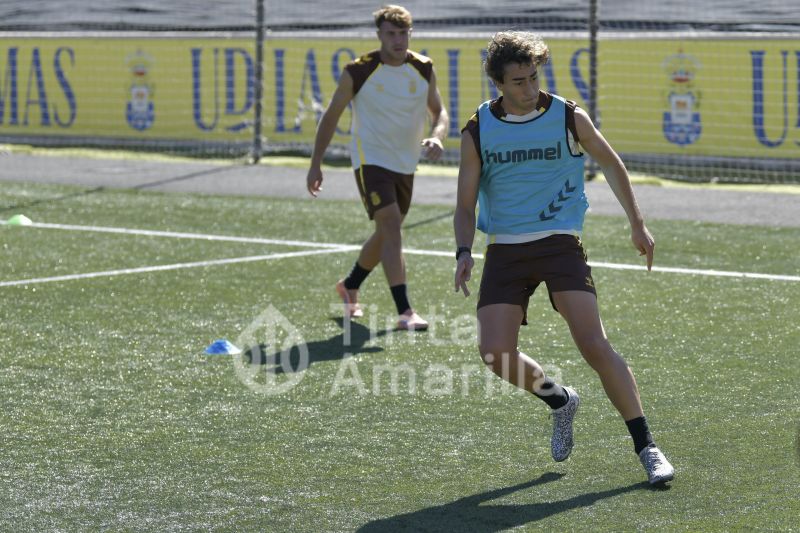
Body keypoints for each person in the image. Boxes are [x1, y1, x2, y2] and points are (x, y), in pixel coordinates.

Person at [452, 31, 674, 484]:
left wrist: (637, 222)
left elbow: (611, 163)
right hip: (505, 249)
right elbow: (464, 203)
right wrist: (463, 251)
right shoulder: (478, 128)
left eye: (534, 77)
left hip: (559, 242)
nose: (530, 88)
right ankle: (560, 399)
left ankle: (647, 447)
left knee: (593, 343)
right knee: (494, 353)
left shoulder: (567, 115)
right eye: (518, 82)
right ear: (498, 83)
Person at [306, 4, 449, 331]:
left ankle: (350, 284)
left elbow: (439, 112)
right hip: (370, 159)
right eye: (391, 34)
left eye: (403, 33)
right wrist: (315, 164)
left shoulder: (423, 68)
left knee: (387, 232)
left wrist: (437, 136)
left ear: (410, 33)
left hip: (405, 162)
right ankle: (405, 311)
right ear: (379, 35)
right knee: (391, 225)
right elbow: (331, 116)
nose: (398, 40)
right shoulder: (358, 71)